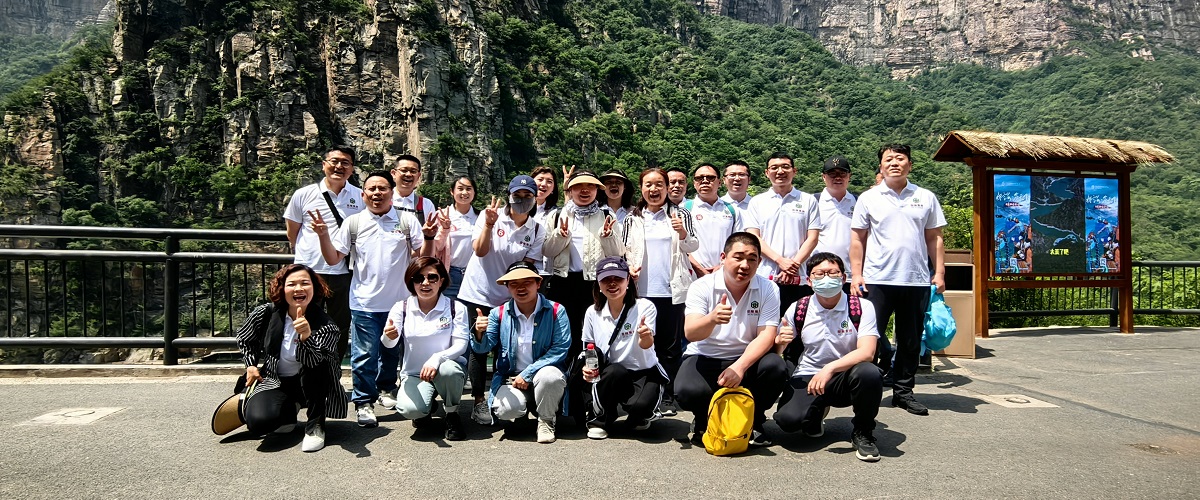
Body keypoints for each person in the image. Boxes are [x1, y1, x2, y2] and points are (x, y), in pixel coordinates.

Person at [311, 171, 434, 428]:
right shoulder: (353, 223)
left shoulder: (406, 220)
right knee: (365, 354)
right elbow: (333, 259)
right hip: (364, 302)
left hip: (399, 303)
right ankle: (364, 401)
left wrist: (430, 237)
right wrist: (323, 235)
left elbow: (423, 258)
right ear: (364, 194)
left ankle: (387, 388)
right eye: (371, 189)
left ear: (391, 192)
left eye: (382, 188)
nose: (377, 193)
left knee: (392, 351)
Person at [850, 144, 947, 416]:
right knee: (868, 336)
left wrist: (939, 272)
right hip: (877, 279)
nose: (894, 163)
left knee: (910, 340)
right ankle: (863, 388)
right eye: (888, 159)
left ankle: (903, 392)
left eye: (900, 158)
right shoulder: (869, 198)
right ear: (881, 166)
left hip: (915, 280)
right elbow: (857, 238)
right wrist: (856, 274)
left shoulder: (925, 197)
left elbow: (934, 237)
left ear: (910, 165)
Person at [677, 232, 788, 447]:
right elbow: (691, 333)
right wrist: (711, 319)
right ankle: (704, 419)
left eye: (752, 259)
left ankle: (754, 420)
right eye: (738, 257)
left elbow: (767, 334)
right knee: (686, 391)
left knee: (775, 366)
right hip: (706, 356)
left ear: (759, 262)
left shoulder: (768, 288)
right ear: (723, 257)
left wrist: (740, 367)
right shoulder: (701, 286)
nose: (745, 265)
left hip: (747, 358)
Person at [773, 252, 883, 462]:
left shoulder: (861, 307)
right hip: (808, 375)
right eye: (819, 274)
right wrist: (780, 342)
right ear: (809, 280)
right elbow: (778, 350)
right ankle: (815, 413)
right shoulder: (799, 308)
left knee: (869, 373)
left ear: (843, 278)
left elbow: (867, 352)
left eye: (832, 273)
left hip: (845, 377)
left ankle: (863, 431)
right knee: (787, 421)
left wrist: (829, 369)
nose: (826, 278)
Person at [457, 175, 546, 425]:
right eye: (517, 195)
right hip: (478, 292)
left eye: (528, 196)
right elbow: (480, 251)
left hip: (508, 296)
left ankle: (498, 396)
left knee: (503, 347)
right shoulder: (490, 216)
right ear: (509, 195)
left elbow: (526, 267)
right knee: (478, 346)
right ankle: (478, 401)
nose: (522, 200)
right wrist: (488, 225)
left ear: (535, 199)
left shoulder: (537, 229)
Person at [236, 264, 347, 453]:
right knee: (259, 423)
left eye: (305, 283)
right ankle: (288, 412)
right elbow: (245, 338)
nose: (298, 289)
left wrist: (306, 336)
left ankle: (315, 425)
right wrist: (251, 365)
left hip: (314, 384)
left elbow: (314, 360)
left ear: (315, 288)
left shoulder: (327, 325)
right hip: (276, 380)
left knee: (318, 365)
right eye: (291, 284)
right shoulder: (267, 313)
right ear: (282, 288)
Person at [622, 167, 698, 415]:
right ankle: (643, 393)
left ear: (666, 188)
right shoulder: (632, 218)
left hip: (671, 290)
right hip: (640, 291)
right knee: (642, 344)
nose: (653, 189)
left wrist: (682, 232)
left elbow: (693, 245)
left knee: (670, 347)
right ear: (641, 188)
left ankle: (667, 396)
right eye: (648, 184)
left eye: (659, 185)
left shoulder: (680, 214)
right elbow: (624, 250)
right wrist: (629, 267)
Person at [471, 261, 571, 443]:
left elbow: (560, 349)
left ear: (538, 283)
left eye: (527, 282)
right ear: (507, 287)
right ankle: (524, 411)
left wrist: (527, 374)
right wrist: (479, 332)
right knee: (506, 410)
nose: (521, 288)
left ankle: (546, 420)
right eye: (514, 284)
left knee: (550, 377)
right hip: (512, 378)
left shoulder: (556, 310)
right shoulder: (498, 313)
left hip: (544, 375)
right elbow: (483, 348)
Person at [283, 146, 364, 360]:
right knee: (305, 322)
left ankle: (332, 368)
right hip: (310, 272)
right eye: (334, 161)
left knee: (340, 326)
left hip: (344, 272)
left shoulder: (360, 197)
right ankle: (305, 366)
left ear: (352, 169)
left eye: (345, 163)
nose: (339, 166)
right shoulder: (304, 195)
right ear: (324, 165)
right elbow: (292, 234)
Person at [381, 257, 470, 441]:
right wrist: (388, 336)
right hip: (415, 374)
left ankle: (452, 413)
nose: (425, 283)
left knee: (449, 370)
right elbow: (389, 344)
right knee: (409, 410)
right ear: (411, 282)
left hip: (446, 369)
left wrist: (437, 359)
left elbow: (461, 345)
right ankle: (427, 408)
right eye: (418, 278)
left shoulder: (455, 307)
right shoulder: (401, 308)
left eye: (432, 277)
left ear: (441, 281)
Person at [579, 256, 667, 439]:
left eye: (618, 278)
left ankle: (640, 416)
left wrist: (645, 336)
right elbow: (589, 348)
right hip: (612, 372)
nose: (612, 284)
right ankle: (600, 419)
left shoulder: (645, 307)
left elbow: (646, 344)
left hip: (643, 371)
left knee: (640, 409)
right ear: (598, 283)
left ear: (628, 280)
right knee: (614, 372)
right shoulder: (592, 312)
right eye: (606, 279)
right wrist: (588, 367)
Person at [543, 170, 624, 356]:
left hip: (595, 282)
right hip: (563, 281)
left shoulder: (606, 215)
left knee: (596, 330)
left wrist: (607, 237)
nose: (585, 190)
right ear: (570, 190)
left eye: (590, 186)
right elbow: (547, 252)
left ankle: (595, 367)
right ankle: (569, 368)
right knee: (565, 331)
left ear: (597, 190)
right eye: (579, 186)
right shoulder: (557, 215)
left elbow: (617, 254)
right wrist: (560, 236)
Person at [747, 152, 822, 312]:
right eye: (774, 168)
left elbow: (813, 238)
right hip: (765, 275)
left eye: (785, 167)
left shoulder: (808, 200)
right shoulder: (757, 202)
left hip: (799, 277)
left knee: (798, 322)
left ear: (794, 171)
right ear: (767, 172)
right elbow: (753, 237)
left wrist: (793, 265)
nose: (780, 171)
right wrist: (780, 261)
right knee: (765, 322)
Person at [684, 163, 754, 277]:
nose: (705, 181)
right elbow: (680, 245)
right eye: (699, 178)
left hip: (725, 273)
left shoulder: (732, 210)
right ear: (694, 183)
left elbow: (738, 242)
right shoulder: (684, 209)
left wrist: (722, 265)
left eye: (710, 178)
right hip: (692, 274)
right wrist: (700, 270)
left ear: (720, 182)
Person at [432, 176, 479, 301]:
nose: (464, 192)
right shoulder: (442, 215)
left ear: (474, 192)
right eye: (460, 188)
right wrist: (444, 228)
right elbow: (436, 247)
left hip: (473, 274)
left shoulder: (481, 217)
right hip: (449, 274)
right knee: (449, 309)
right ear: (452, 192)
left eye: (468, 189)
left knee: (471, 311)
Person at [813, 156, 857, 285]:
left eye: (842, 173)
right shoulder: (813, 201)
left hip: (851, 275)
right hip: (819, 274)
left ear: (849, 176)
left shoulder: (859, 202)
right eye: (832, 174)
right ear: (823, 177)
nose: (838, 177)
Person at [530, 166, 560, 285]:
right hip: (519, 267)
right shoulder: (517, 211)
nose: (544, 184)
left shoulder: (557, 213)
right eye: (540, 179)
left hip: (546, 272)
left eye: (549, 181)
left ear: (553, 189)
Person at [391, 154, 437, 223]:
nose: (408, 174)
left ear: (418, 176)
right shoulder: (382, 200)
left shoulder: (426, 204)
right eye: (404, 170)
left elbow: (432, 228)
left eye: (413, 171)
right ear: (393, 173)